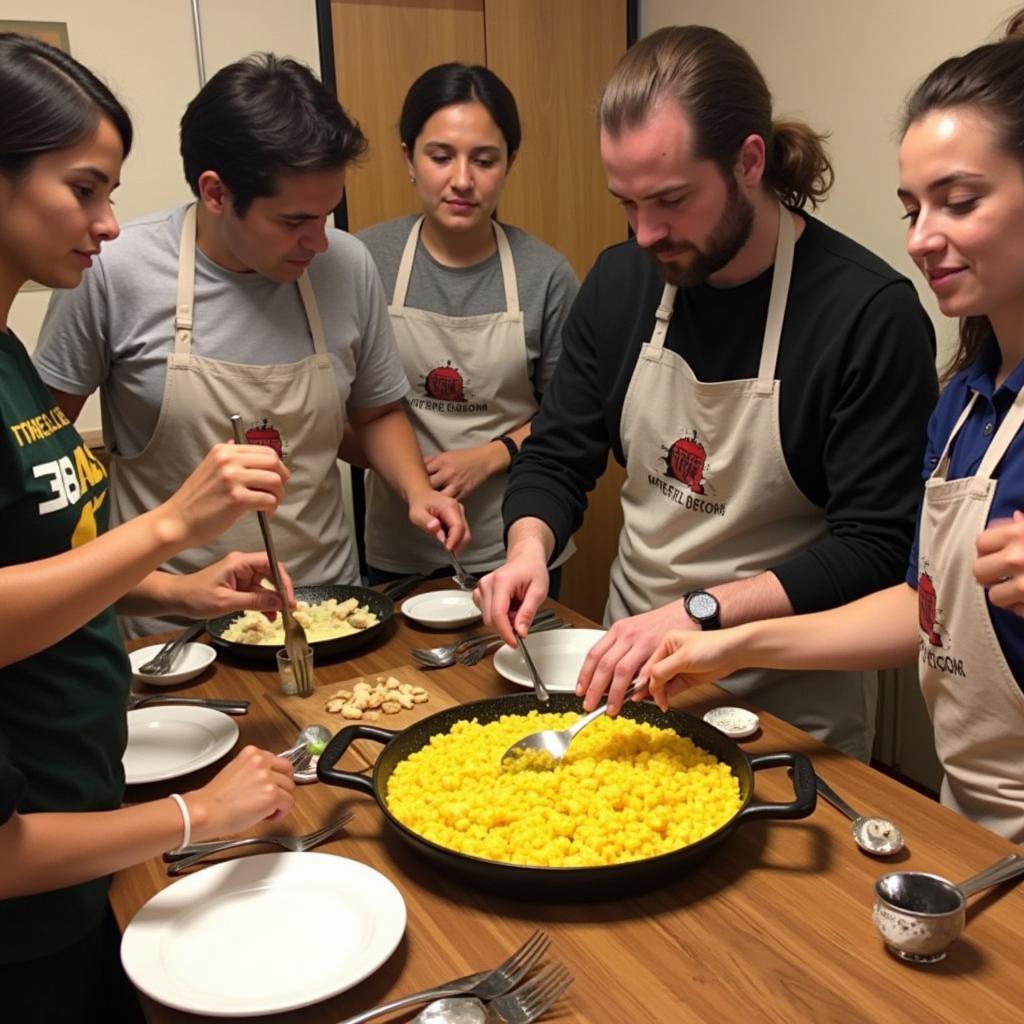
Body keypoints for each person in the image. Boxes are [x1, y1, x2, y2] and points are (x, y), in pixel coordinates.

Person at [475, 25, 938, 762]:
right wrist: (528, 546)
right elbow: (559, 454)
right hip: (629, 681)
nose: (645, 233)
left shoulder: (866, 314)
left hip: (790, 704)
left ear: (749, 161)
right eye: (625, 202)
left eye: (670, 200)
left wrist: (699, 614)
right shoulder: (621, 281)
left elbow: (875, 547)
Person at [642, 12, 1024, 841]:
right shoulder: (963, 404)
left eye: (959, 201)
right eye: (911, 208)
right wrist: (731, 645)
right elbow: (919, 610)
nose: (923, 239)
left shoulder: (865, 312)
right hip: (974, 818)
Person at [0, 34, 297, 1020]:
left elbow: (38, 556)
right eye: (83, 189)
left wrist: (171, 589)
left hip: (81, 835)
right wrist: (196, 814)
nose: (107, 223)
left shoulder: (8, 355)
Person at [34, 52, 468, 637]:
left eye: (326, 215)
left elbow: (376, 412)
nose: (318, 241)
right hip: (171, 622)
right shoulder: (115, 271)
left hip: (328, 607)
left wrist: (417, 492)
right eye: (293, 221)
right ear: (215, 193)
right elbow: (45, 450)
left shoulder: (347, 265)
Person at [356, 64, 578, 593]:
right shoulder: (364, 261)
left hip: (516, 542)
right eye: (440, 156)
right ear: (408, 156)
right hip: (399, 541)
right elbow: (346, 408)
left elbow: (569, 419)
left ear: (510, 164)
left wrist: (490, 456)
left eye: (484, 160)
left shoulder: (545, 274)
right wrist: (412, 479)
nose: (462, 180)